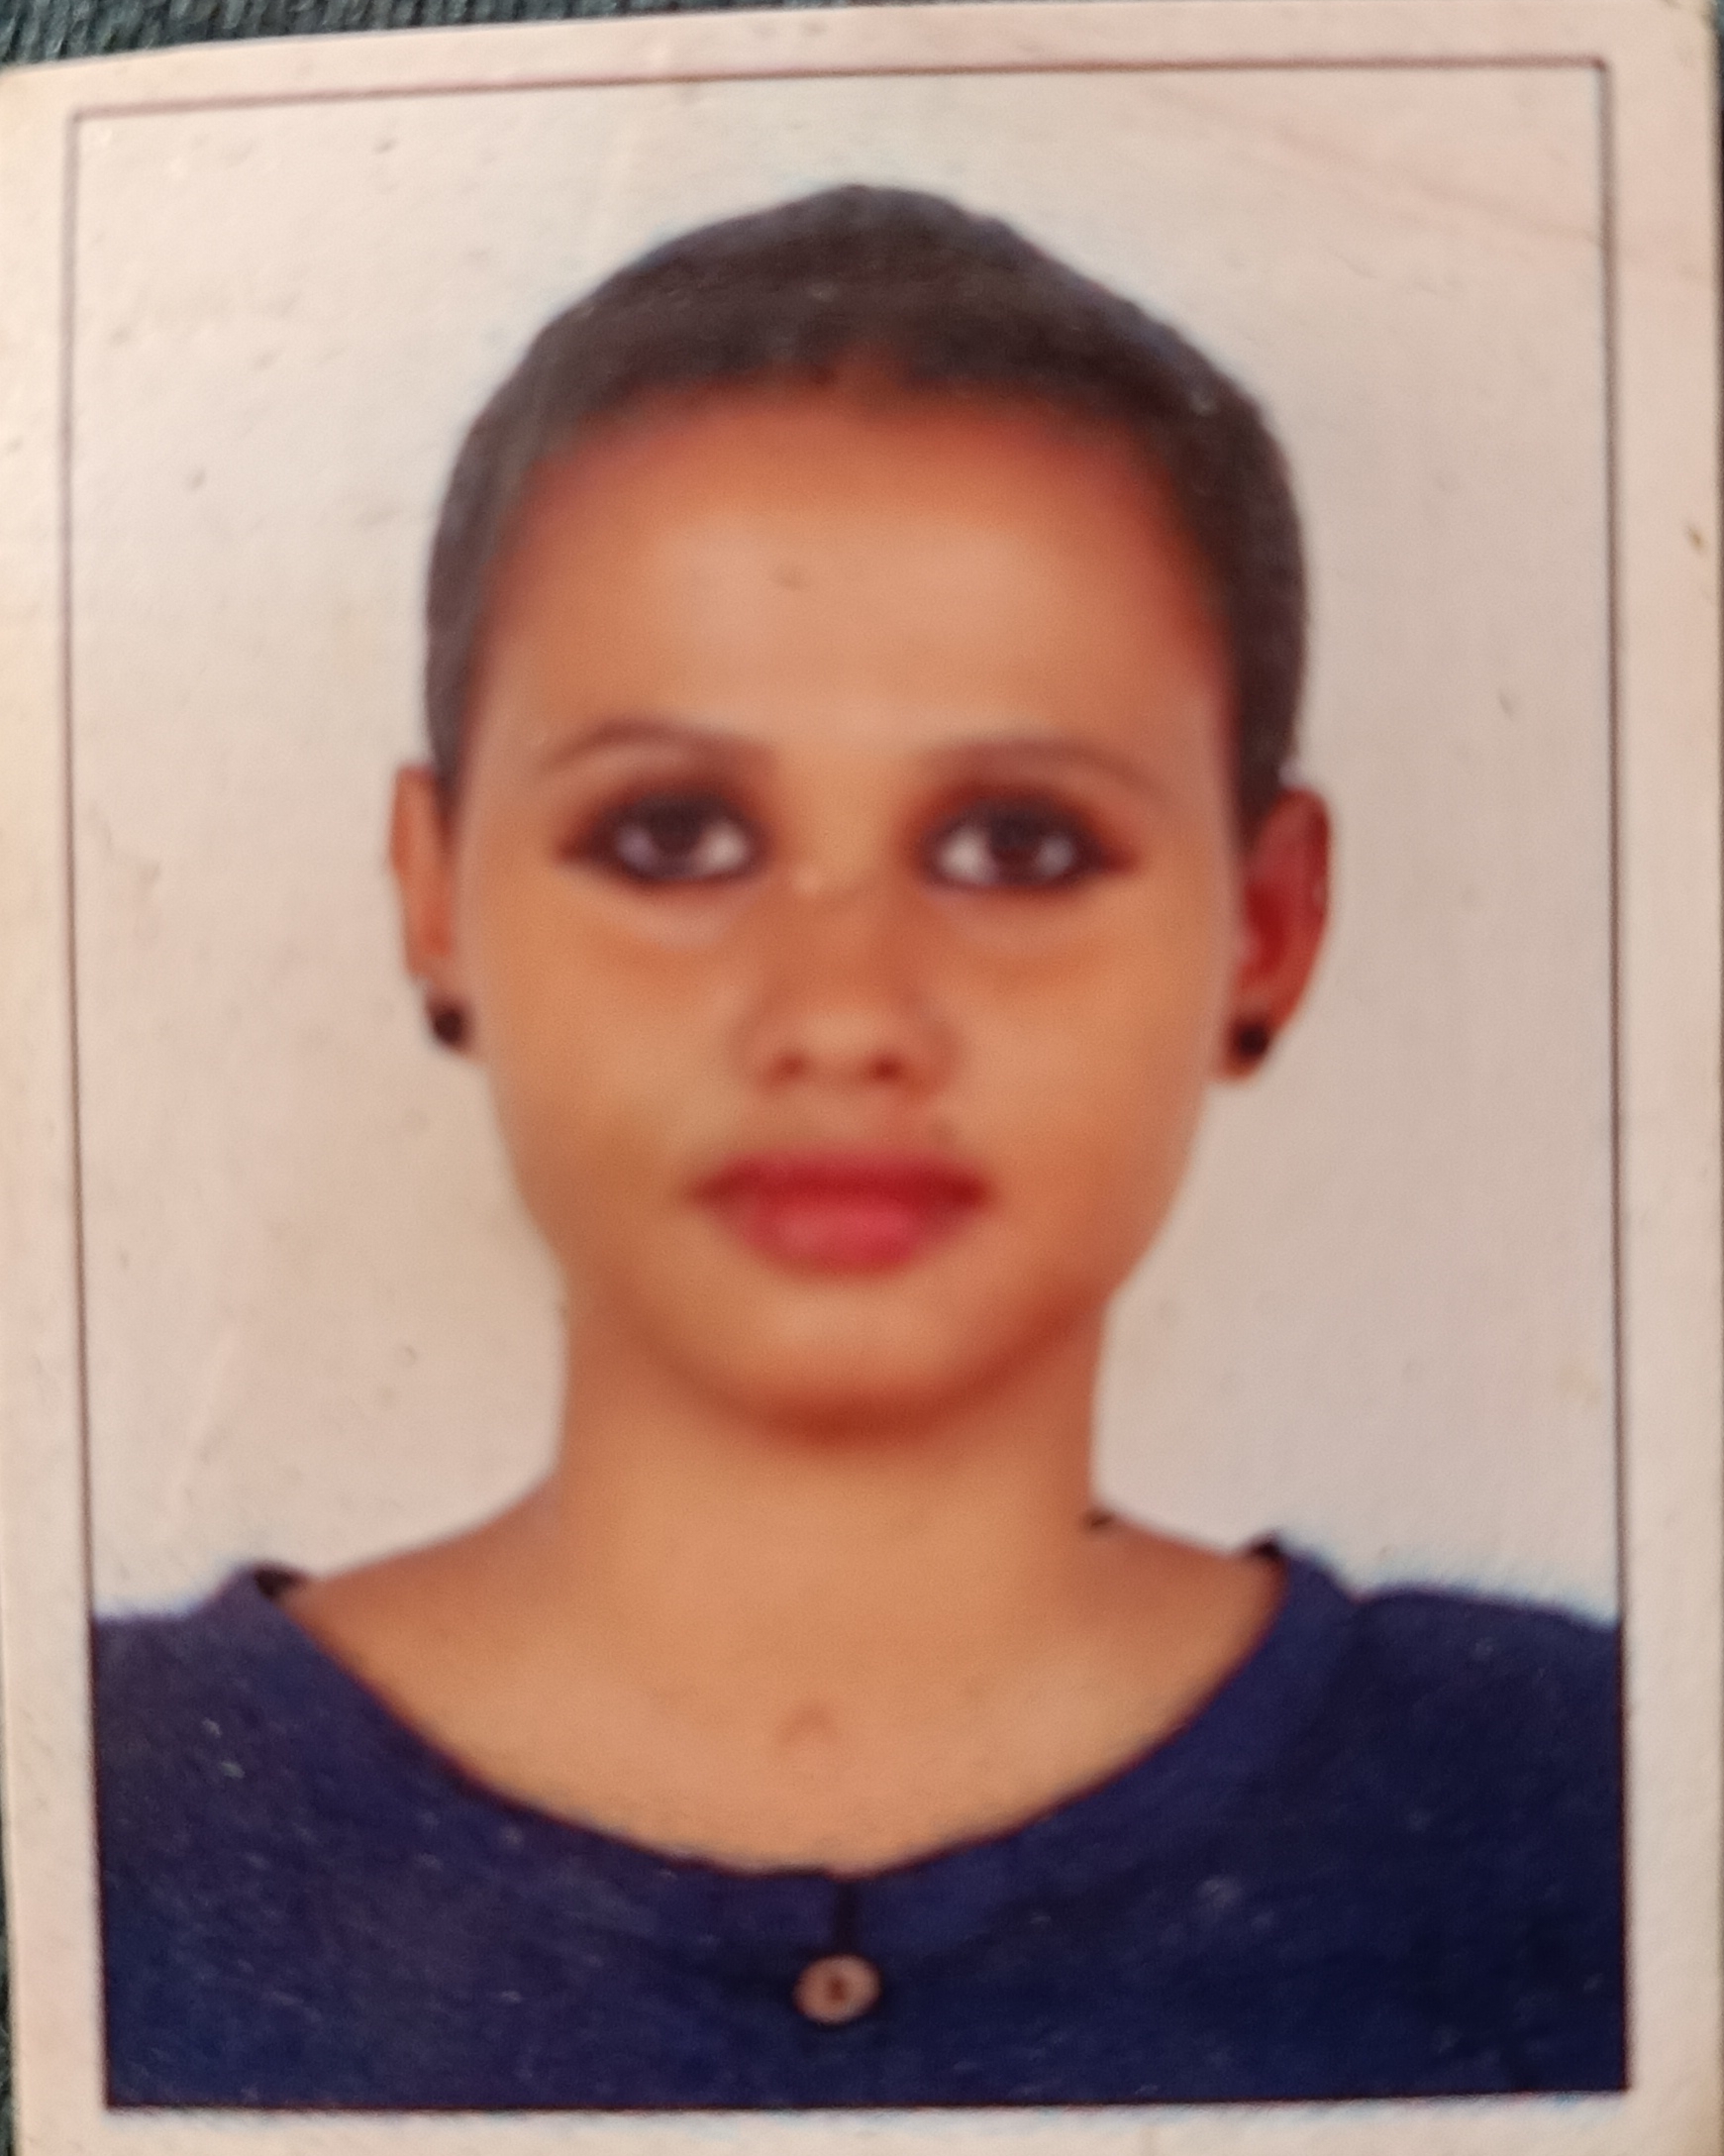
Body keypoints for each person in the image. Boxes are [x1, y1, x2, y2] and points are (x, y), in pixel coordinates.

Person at [94, 184, 1623, 2109]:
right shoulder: (94, 1811)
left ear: (1266, 920)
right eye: (670, 836)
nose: (839, 1012)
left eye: (1015, 845)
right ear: (434, 892)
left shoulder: (1595, 1809)